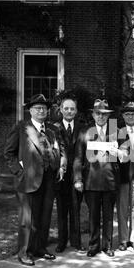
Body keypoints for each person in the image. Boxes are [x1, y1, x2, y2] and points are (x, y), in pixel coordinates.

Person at [4, 94, 66, 266]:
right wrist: (19, 172)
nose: (41, 110)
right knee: (28, 219)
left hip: (49, 179)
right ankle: (24, 252)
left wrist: (60, 165)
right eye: (37, 108)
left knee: (44, 216)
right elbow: (8, 153)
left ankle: (39, 248)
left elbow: (59, 150)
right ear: (30, 110)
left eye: (44, 108)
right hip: (28, 180)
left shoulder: (53, 129)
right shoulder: (21, 128)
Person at [73, 99, 122, 258]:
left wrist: (119, 153)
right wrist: (78, 179)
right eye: (97, 113)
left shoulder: (116, 132)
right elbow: (78, 158)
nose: (101, 117)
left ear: (108, 116)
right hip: (91, 180)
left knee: (108, 216)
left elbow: (126, 155)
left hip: (110, 180)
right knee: (93, 215)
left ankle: (107, 246)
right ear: (93, 114)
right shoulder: (85, 132)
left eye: (104, 114)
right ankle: (93, 245)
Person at [54, 96, 86, 253]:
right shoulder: (54, 128)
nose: (69, 111)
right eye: (66, 108)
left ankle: (76, 241)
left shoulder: (83, 128)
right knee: (61, 210)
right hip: (60, 176)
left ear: (76, 111)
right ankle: (61, 242)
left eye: (72, 108)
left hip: (77, 175)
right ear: (61, 110)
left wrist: (80, 176)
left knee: (75, 208)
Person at [117, 102, 134, 252]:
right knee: (122, 209)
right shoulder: (117, 133)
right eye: (127, 114)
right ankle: (123, 239)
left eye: (133, 114)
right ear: (123, 116)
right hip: (122, 176)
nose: (130, 116)